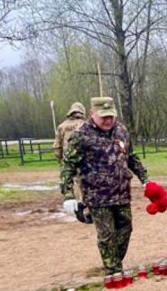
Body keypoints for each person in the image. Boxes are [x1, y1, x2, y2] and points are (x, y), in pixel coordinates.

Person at [61, 96, 151, 275]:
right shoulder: (81, 135)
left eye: (111, 116)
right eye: (104, 117)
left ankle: (113, 263)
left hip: (122, 193)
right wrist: (68, 195)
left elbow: (131, 157)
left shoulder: (122, 131)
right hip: (97, 197)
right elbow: (68, 165)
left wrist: (145, 179)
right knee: (107, 235)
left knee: (125, 230)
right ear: (92, 114)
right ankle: (113, 272)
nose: (109, 120)